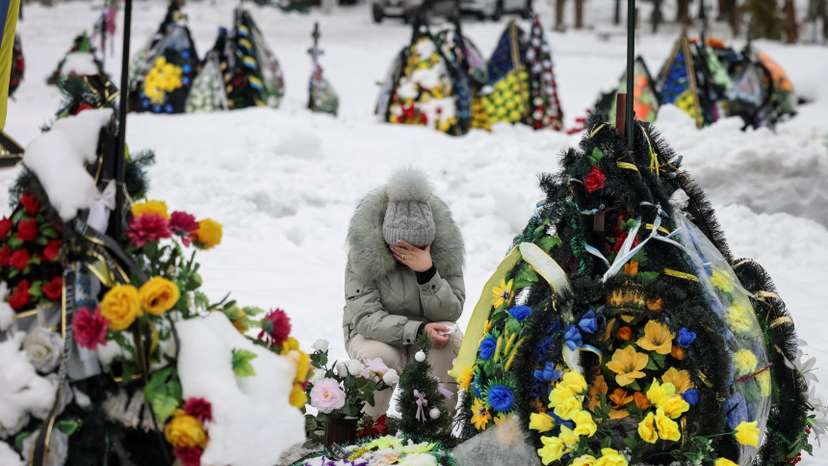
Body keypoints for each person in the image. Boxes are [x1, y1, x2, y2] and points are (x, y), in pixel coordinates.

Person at [343, 168, 465, 418]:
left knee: (448, 347)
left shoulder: (444, 249)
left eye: (419, 247)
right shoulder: (364, 252)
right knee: (379, 358)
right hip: (376, 335)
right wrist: (418, 330)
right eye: (402, 248)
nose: (410, 254)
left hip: (430, 333)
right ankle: (366, 425)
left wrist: (427, 272)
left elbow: (452, 311)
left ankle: (434, 429)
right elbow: (366, 317)